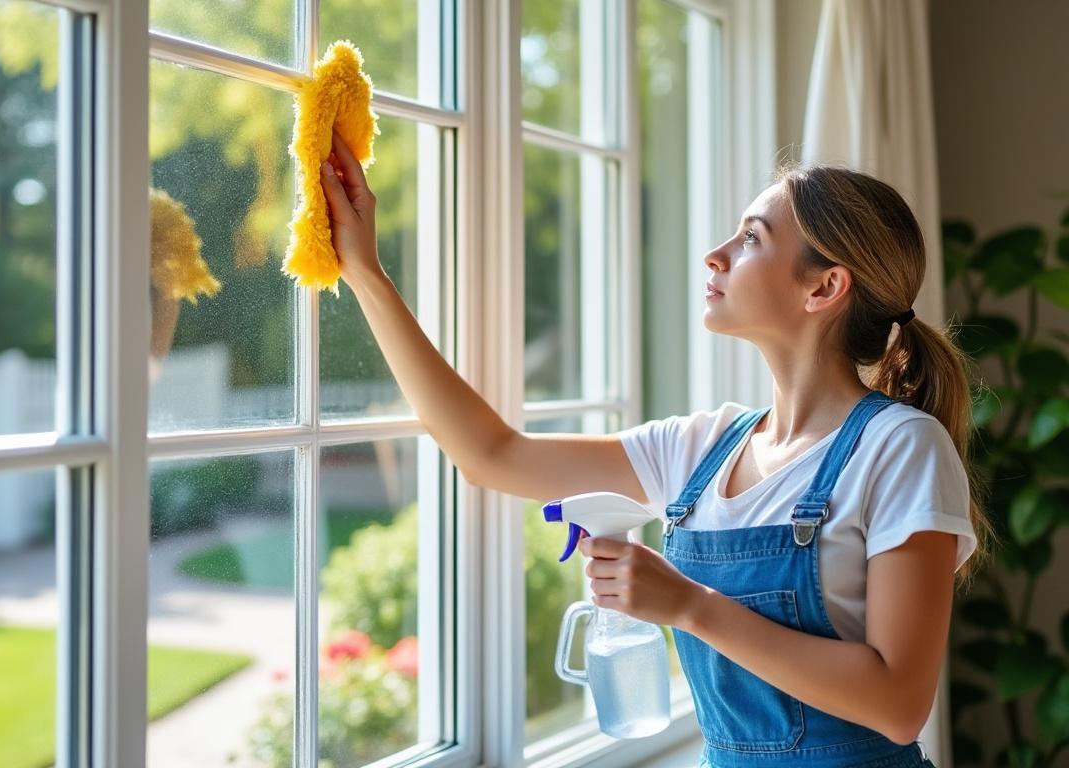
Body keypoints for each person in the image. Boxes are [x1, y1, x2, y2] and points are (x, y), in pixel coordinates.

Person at [318, 127, 989, 768]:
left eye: (751, 239)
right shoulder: (699, 450)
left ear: (824, 287)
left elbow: (899, 703)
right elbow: (491, 454)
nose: (715, 254)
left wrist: (688, 604)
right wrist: (367, 274)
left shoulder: (901, 448)